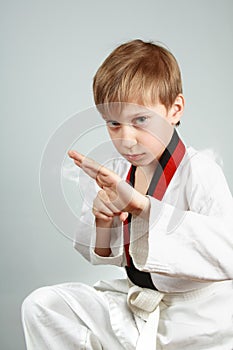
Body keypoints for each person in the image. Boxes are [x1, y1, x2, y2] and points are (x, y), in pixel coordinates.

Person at [21, 39, 233, 350]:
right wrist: (103, 219)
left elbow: (227, 252)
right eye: (113, 123)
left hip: (196, 320)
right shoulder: (118, 170)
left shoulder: (199, 171)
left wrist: (143, 206)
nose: (127, 139)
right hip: (136, 305)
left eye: (141, 121)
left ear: (174, 109)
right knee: (44, 306)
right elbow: (104, 253)